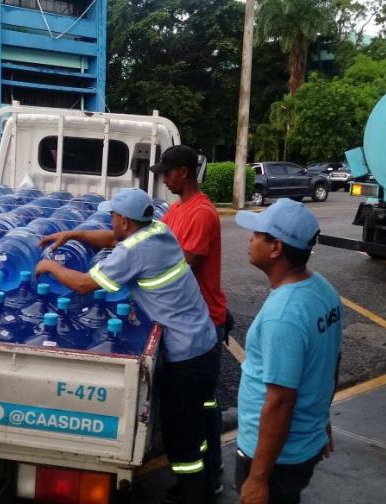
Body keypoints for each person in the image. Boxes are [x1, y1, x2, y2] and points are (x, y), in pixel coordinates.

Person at [36, 188, 219, 503]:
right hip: (204, 342)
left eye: (113, 216)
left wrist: (50, 267)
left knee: (181, 432)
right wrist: (72, 234)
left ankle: (193, 493)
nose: (110, 221)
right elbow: (110, 239)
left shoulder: (134, 252)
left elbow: (83, 285)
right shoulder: (157, 230)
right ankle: (205, 480)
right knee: (197, 420)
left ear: (123, 219)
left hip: (185, 354)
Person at [233, 198, 343, 504]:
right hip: (301, 446)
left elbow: (280, 401)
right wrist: (320, 422)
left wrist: (257, 478)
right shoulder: (323, 290)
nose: (249, 239)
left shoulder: (283, 315)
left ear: (276, 247)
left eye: (257, 234)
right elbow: (329, 365)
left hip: (272, 459)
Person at [153, 144, 229, 493]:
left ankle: (207, 477)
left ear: (183, 171)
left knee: (199, 407)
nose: (164, 179)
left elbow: (180, 269)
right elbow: (153, 242)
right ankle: (201, 474)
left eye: (167, 173)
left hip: (204, 323)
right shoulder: (176, 210)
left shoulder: (201, 213)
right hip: (187, 321)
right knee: (194, 406)